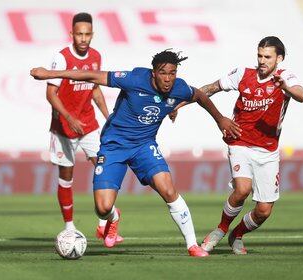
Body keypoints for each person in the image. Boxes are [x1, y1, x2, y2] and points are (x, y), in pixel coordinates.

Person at [31, 49, 241, 257]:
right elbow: (90, 75)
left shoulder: (179, 88)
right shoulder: (134, 79)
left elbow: (201, 96)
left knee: (168, 189)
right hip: (114, 146)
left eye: (172, 73)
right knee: (103, 208)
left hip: (144, 146)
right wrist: (49, 74)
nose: (168, 79)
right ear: (153, 73)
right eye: (162, 73)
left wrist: (220, 119)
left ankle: (192, 245)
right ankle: (113, 218)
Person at [172, 36, 303, 255]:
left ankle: (238, 234)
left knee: (263, 211)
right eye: (259, 56)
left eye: (267, 57)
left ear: (279, 58)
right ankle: (220, 230)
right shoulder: (243, 74)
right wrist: (180, 104)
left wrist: (286, 88)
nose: (262, 61)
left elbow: (302, 96)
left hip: (268, 150)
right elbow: (210, 88)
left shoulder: (286, 78)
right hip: (240, 141)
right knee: (242, 189)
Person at [45, 12, 123, 243]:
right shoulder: (61, 58)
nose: (83, 38)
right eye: (79, 34)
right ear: (72, 34)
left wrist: (109, 117)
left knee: (103, 167)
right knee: (66, 178)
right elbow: (50, 94)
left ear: (92, 35)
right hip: (63, 128)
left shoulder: (96, 56)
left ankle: (104, 222)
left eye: (87, 34)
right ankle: (69, 227)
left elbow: (95, 89)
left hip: (88, 124)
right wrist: (68, 118)